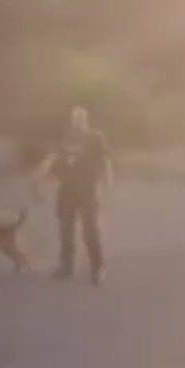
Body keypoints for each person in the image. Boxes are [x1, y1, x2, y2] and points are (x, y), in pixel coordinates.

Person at [42, 106, 113, 283]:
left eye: (81, 118)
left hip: (88, 190)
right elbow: (54, 160)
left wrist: (107, 183)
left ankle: (98, 268)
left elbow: (105, 161)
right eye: (75, 118)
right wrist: (42, 177)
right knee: (66, 231)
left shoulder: (96, 137)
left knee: (90, 231)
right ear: (71, 120)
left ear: (86, 120)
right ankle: (66, 266)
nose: (78, 121)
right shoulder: (65, 138)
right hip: (67, 190)